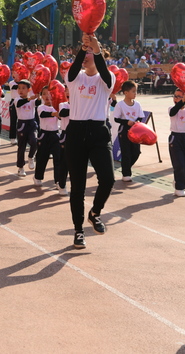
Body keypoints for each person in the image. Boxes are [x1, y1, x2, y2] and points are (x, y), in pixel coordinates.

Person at [65, 33, 116, 249]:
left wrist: (95, 48)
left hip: (98, 131)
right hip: (76, 132)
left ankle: (95, 212)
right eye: (83, 53)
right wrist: (84, 48)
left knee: (108, 179)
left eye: (90, 54)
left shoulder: (107, 78)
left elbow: (104, 72)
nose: (85, 56)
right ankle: (78, 230)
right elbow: (74, 68)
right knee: (78, 186)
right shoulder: (74, 77)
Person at [114, 81, 144, 182]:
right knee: (126, 152)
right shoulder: (120, 105)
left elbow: (140, 116)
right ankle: (126, 174)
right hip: (124, 130)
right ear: (126, 92)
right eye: (133, 91)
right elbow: (116, 118)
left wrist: (138, 121)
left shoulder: (137, 104)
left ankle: (126, 167)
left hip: (136, 130)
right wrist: (127, 122)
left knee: (136, 152)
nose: (135, 93)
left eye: (136, 91)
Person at [32, 86, 61, 187]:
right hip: (44, 135)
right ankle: (38, 177)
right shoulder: (41, 107)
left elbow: (62, 117)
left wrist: (60, 114)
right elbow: (43, 114)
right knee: (42, 158)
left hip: (56, 135)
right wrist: (55, 113)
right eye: (44, 94)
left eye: (50, 94)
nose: (47, 96)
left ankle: (58, 181)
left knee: (58, 158)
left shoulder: (58, 107)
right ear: (41, 96)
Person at [14, 80, 38, 177]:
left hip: (31, 124)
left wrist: (38, 96)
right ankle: (20, 167)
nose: (21, 90)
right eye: (19, 88)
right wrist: (29, 99)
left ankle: (31, 157)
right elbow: (19, 104)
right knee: (22, 147)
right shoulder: (17, 99)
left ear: (29, 89)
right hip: (22, 125)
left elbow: (38, 103)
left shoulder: (32, 100)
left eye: (23, 88)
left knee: (35, 142)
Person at [56, 86, 70, 196]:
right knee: (64, 162)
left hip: (79, 136)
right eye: (67, 90)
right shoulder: (63, 105)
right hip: (66, 135)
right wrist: (77, 106)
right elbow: (63, 113)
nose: (69, 92)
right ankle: (61, 185)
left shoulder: (82, 105)